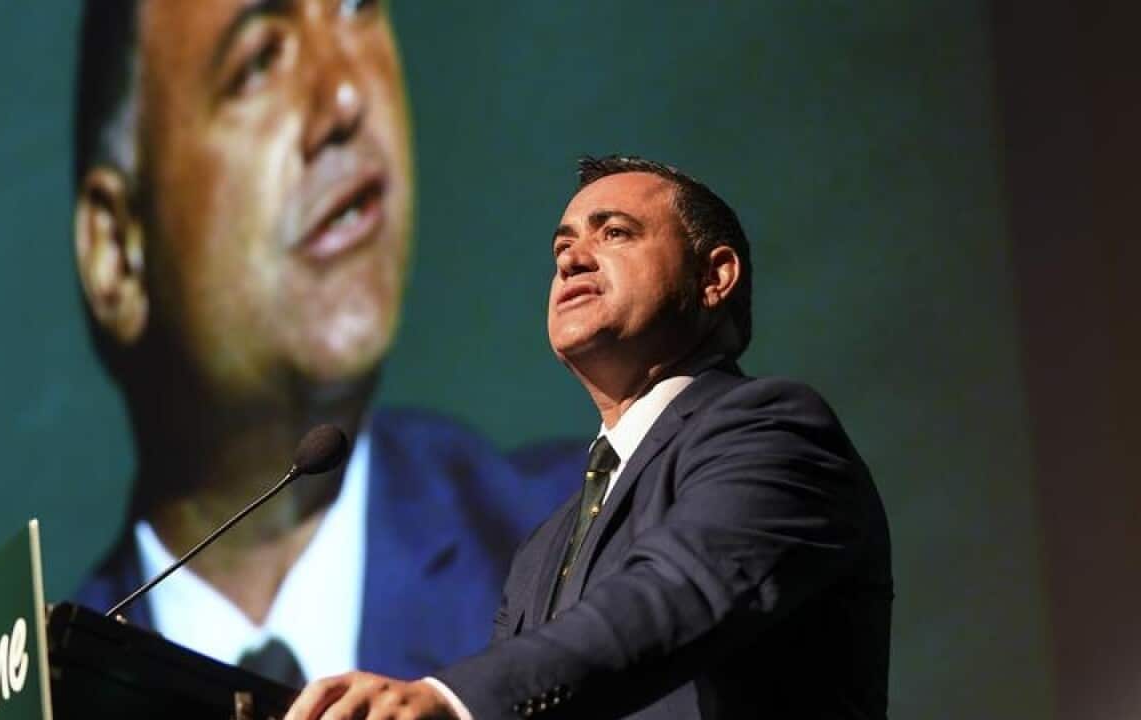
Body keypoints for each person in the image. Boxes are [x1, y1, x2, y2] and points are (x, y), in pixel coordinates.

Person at [69, 0, 581, 686]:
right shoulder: (48, 692)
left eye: (356, 9)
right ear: (119, 255)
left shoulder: (603, 553)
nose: (344, 96)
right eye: (258, 62)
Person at [285, 156, 894, 719]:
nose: (572, 261)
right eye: (562, 248)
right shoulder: (543, 546)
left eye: (616, 233)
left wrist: (452, 701)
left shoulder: (774, 429)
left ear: (715, 276)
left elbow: (682, 590)